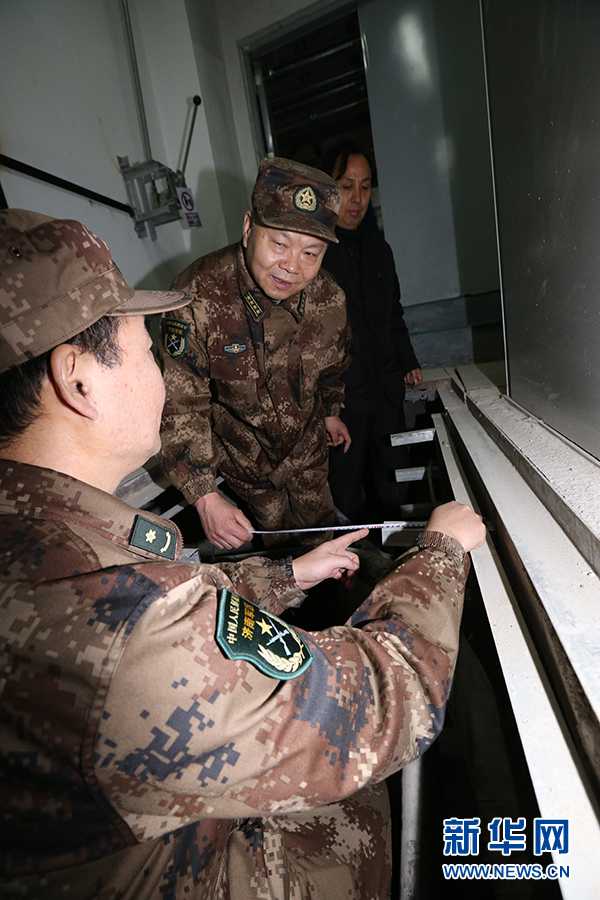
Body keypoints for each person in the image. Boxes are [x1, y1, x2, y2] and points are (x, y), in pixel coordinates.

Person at [0, 209, 485, 899]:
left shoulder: (41, 530)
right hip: (193, 871)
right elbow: (378, 703)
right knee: (371, 808)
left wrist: (286, 574)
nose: (159, 373)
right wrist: (442, 550)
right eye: (145, 351)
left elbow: (165, 609)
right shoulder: (118, 630)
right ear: (78, 380)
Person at [158, 157, 352, 551]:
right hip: (247, 464)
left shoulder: (329, 300)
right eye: (279, 244)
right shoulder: (196, 298)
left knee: (324, 541)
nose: (291, 267)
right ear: (248, 229)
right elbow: (179, 406)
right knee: (279, 556)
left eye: (310, 254)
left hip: (309, 454)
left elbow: (334, 365)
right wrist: (205, 497)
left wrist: (331, 410)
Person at [322, 143, 423, 524]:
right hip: (346, 400)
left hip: (385, 391)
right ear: (328, 188)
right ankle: (353, 572)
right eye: (347, 185)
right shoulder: (317, 254)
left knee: (394, 484)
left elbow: (391, 314)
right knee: (345, 491)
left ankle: (396, 567)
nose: (357, 198)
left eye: (365, 186)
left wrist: (407, 360)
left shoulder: (381, 251)